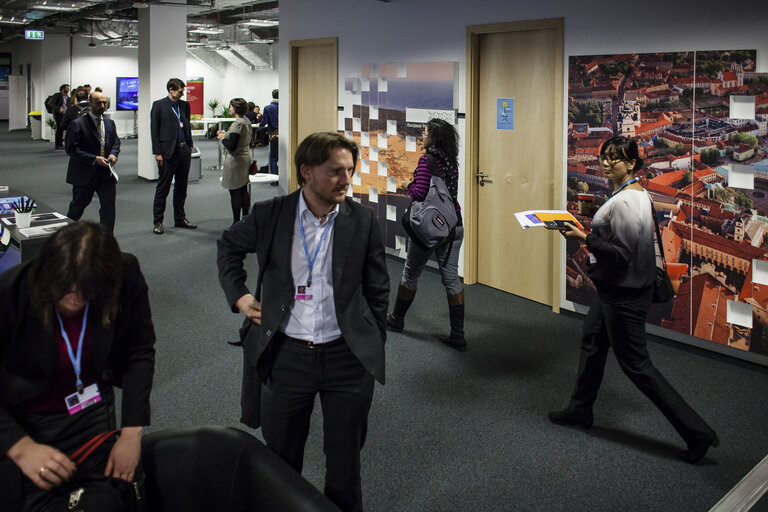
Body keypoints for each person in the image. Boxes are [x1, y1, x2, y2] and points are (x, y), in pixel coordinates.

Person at [217, 132, 389, 511]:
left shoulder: (361, 220)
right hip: (287, 356)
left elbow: (378, 287)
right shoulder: (271, 215)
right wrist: (240, 296)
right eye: (335, 172)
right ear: (306, 173)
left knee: (345, 464)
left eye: (349, 170)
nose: (347, 179)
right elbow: (228, 245)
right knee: (280, 463)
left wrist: (373, 338)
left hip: (347, 360)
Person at [549, 136, 719, 464]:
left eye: (616, 158)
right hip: (616, 288)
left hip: (624, 293)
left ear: (631, 164)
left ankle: (698, 433)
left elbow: (621, 254)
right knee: (593, 342)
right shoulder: (634, 192)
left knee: (638, 366)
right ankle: (579, 410)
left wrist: (583, 236)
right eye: (604, 157)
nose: (607, 163)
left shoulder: (625, 202)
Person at [0, 221, 156, 508]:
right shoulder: (11, 292)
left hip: (93, 412)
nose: (75, 298)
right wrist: (21, 449)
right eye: (66, 288)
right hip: (27, 421)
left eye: (87, 291)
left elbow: (139, 351)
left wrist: (132, 433)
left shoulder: (125, 274)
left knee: (112, 496)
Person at [386, 118, 466, 351]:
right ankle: (458, 335)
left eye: (426, 132)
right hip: (453, 227)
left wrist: (406, 186)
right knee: (451, 278)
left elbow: (420, 193)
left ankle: (396, 319)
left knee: (411, 272)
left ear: (434, 137)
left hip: (429, 229)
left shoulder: (426, 160)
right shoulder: (451, 162)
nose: (423, 135)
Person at [65, 91, 121, 233]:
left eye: (104, 103)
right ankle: (64, 236)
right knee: (77, 208)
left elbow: (115, 142)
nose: (102, 106)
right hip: (85, 173)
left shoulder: (109, 123)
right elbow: (71, 149)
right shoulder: (77, 124)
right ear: (90, 104)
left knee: (108, 209)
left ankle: (107, 240)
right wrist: (94, 159)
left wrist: (113, 154)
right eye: (98, 103)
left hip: (106, 174)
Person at [150, 78, 196, 235]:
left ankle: (180, 218)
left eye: (183, 91)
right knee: (163, 187)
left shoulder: (184, 105)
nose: (182, 94)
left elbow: (186, 124)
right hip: (167, 152)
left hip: (183, 150)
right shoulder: (159, 105)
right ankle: (158, 221)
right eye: (180, 91)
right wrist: (157, 152)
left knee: (182, 187)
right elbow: (154, 131)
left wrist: (190, 145)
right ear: (171, 89)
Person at [217, 98, 253, 223]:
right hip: (244, 158)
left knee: (235, 192)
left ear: (236, 108)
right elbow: (237, 138)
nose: (229, 109)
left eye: (231, 107)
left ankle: (236, 222)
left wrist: (222, 137)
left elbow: (231, 145)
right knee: (243, 189)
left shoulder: (237, 123)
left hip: (235, 161)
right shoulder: (247, 121)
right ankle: (245, 218)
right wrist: (226, 134)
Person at [259, 89, 279, 175]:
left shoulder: (268, 108)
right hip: (287, 134)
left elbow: (264, 122)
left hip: (274, 134)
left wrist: (258, 125)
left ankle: (274, 177)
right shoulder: (287, 106)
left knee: (273, 157)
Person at [53, 84, 70, 150]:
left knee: (65, 129)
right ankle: (58, 144)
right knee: (59, 129)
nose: (68, 90)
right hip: (59, 115)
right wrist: (58, 109)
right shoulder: (57, 95)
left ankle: (62, 144)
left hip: (65, 115)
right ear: (63, 89)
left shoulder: (67, 97)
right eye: (67, 88)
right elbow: (51, 103)